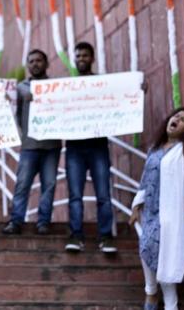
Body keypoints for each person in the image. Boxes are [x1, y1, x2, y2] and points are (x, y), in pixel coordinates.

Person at [129, 107, 184, 310]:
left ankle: (153, 295)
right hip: (151, 211)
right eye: (176, 116)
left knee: (158, 250)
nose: (177, 119)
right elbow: (145, 181)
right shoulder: (155, 148)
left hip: (173, 214)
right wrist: (136, 206)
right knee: (151, 250)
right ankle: (161, 298)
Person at [64, 42, 117, 254]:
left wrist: (139, 90)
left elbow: (121, 99)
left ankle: (106, 237)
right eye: (78, 56)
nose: (81, 59)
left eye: (85, 55)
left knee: (103, 194)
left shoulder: (102, 84)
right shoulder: (65, 88)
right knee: (75, 195)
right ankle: (76, 236)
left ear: (92, 58)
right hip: (75, 148)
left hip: (98, 147)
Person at [3, 49, 62, 235]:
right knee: (22, 184)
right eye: (31, 61)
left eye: (39, 60)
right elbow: (14, 113)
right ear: (28, 65)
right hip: (29, 145)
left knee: (49, 185)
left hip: (52, 145)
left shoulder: (58, 87)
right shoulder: (20, 88)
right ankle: (16, 221)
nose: (35, 64)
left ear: (46, 64)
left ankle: (43, 222)